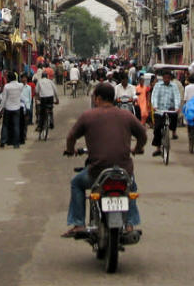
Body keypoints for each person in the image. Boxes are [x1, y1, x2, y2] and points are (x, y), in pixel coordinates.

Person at [62, 82, 148, 237]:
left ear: (98, 98)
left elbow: (71, 137)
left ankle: (78, 224)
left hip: (97, 172)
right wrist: (138, 148)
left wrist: (70, 150)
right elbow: (142, 134)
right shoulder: (126, 115)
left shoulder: (88, 115)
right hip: (123, 170)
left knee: (76, 183)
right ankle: (130, 224)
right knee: (130, 186)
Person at [150, 70, 182, 155]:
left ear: (170, 78)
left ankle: (173, 132)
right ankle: (158, 148)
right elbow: (154, 96)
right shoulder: (158, 85)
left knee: (175, 117)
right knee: (157, 128)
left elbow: (177, 96)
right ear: (163, 78)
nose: (166, 79)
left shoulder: (174, 86)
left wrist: (176, 107)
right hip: (159, 110)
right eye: (165, 78)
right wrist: (155, 106)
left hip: (170, 109)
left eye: (168, 78)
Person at [0, 72, 24, 148]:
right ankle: (16, 143)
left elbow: (4, 98)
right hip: (17, 107)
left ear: (9, 78)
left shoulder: (7, 86)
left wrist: (1, 108)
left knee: (5, 125)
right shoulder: (20, 85)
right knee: (16, 125)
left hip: (8, 108)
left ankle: (3, 141)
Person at [19, 74, 33, 145]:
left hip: (27, 107)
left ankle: (24, 135)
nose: (24, 79)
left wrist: (29, 106)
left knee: (25, 123)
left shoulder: (29, 87)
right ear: (21, 79)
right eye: (23, 78)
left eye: (25, 78)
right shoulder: (19, 87)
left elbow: (30, 98)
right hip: (20, 107)